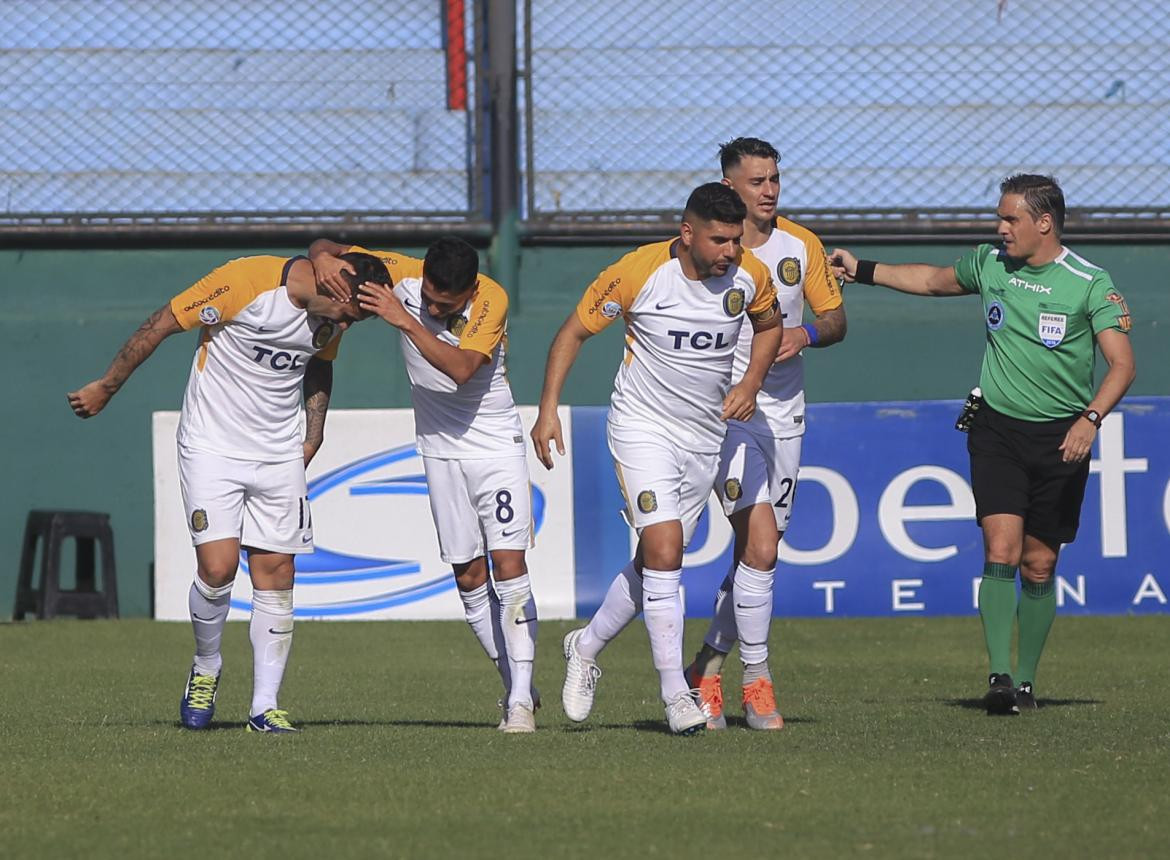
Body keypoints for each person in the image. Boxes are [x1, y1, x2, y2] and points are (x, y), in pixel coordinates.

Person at [828, 174, 1136, 714]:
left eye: (1010, 218)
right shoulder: (991, 263)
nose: (1000, 228)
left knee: (1039, 566)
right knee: (1001, 550)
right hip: (997, 430)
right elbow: (930, 280)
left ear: (1044, 222)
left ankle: (1025, 682)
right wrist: (864, 270)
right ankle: (998, 677)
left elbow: (1123, 364)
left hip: (1062, 436)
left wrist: (1090, 419)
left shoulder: (1088, 282)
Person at [68, 251, 387, 733]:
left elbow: (320, 364)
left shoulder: (334, 315)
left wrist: (314, 430)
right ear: (335, 287)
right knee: (217, 569)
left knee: (277, 571)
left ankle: (264, 706)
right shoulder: (245, 282)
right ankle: (206, 666)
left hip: (279, 452)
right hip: (212, 445)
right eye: (350, 314)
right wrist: (107, 386)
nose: (350, 324)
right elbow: (159, 325)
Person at [531, 182, 782, 734]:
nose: (731, 252)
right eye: (719, 240)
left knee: (660, 559)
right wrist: (547, 409)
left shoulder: (751, 277)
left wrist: (752, 380)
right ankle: (676, 696)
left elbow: (769, 326)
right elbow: (572, 333)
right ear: (687, 233)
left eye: (736, 241)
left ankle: (586, 645)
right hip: (644, 428)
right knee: (666, 549)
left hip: (713, 433)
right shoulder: (638, 273)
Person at [311, 236, 541, 733]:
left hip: (494, 444)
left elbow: (461, 369)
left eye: (446, 306)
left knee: (509, 563)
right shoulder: (402, 274)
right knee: (468, 576)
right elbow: (326, 244)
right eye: (430, 300)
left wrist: (405, 318)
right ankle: (513, 681)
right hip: (438, 446)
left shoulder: (491, 299)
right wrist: (322, 259)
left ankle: (520, 702)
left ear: (470, 291)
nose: (435, 309)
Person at [685, 137, 847, 731]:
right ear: (730, 188)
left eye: (775, 178)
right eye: (757, 182)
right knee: (759, 546)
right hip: (723, 415)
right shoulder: (702, 251)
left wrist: (801, 336)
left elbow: (834, 319)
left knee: (762, 550)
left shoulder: (800, 244)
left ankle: (707, 667)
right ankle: (756, 681)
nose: (771, 190)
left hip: (784, 414)